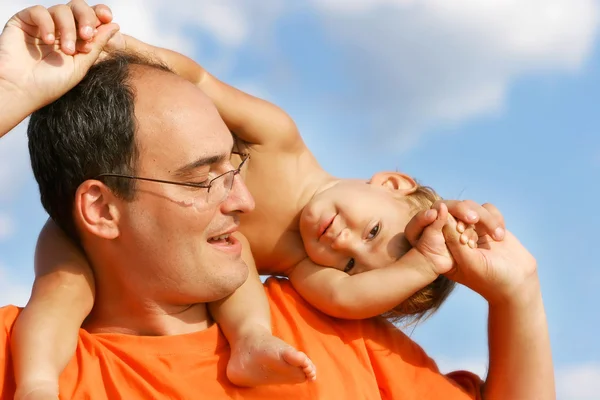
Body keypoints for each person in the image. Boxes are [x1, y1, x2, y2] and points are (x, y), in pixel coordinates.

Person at [0, 2, 555, 400]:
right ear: (100, 209)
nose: (242, 200)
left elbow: (358, 291)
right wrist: (9, 90)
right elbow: (201, 79)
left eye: (233, 164)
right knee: (57, 294)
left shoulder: (325, 329)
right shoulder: (15, 351)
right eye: (203, 178)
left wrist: (516, 295)